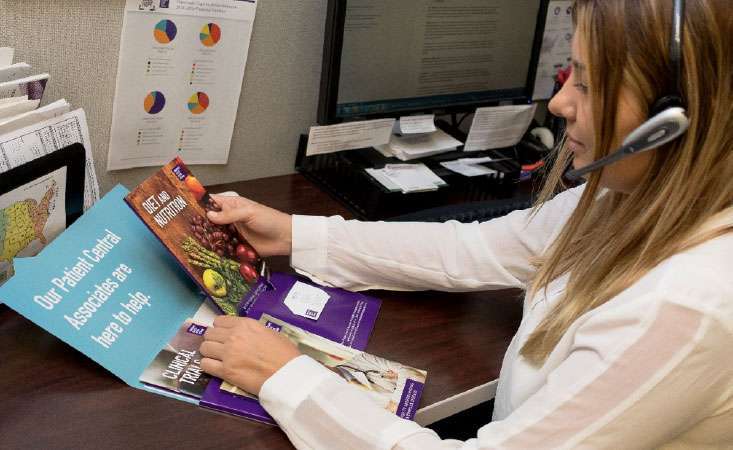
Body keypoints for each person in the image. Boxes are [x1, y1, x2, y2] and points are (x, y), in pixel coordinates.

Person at [198, 0, 733, 448]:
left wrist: (287, 377)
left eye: (590, 86)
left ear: (673, 122)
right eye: (570, 75)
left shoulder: (684, 306)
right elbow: (476, 248)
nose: (560, 102)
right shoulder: (638, 197)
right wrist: (296, 233)